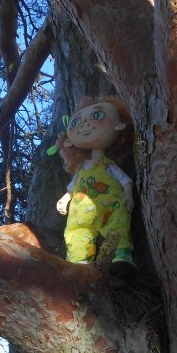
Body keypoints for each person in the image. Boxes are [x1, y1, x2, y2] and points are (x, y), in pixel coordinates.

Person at [54, 97, 135, 267]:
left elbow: (125, 180)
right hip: (79, 213)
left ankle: (114, 260)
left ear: (119, 125)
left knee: (116, 228)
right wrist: (65, 198)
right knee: (76, 233)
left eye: (97, 115)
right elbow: (73, 186)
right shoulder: (82, 168)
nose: (84, 124)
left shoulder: (108, 166)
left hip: (111, 207)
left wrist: (128, 193)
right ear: (69, 140)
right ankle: (80, 263)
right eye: (77, 121)